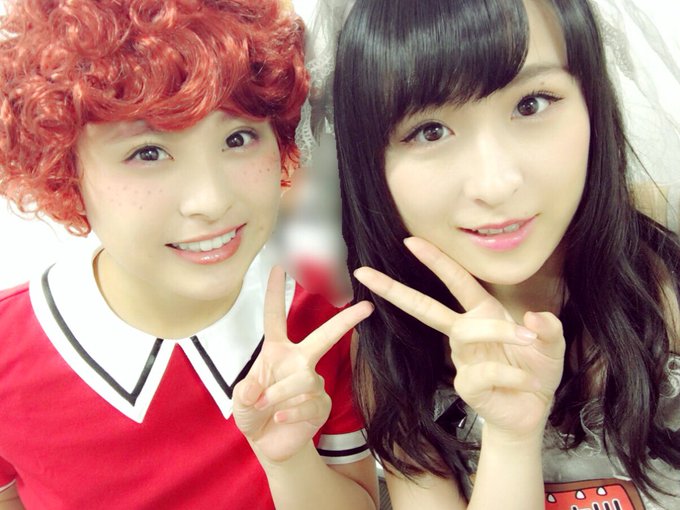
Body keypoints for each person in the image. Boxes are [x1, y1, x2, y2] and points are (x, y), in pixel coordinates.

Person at [0, 0, 379, 508]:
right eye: (148, 152)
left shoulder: (325, 316)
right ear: (63, 168)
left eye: (238, 137)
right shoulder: (9, 350)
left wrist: (290, 461)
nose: (211, 200)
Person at [333, 0, 680, 508]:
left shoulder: (667, 297)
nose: (495, 184)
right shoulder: (392, 349)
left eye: (532, 104)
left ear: (592, 100)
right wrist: (510, 440)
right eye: (430, 131)